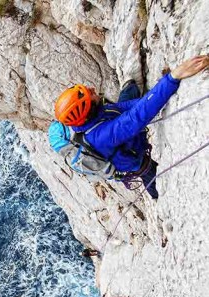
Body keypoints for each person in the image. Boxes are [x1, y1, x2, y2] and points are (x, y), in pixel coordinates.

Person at [51, 55, 209, 199]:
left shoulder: (93, 116)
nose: (92, 89)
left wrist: (153, 95)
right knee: (155, 183)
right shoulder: (102, 136)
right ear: (88, 109)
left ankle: (131, 84)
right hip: (138, 164)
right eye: (89, 94)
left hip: (115, 124)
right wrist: (173, 78)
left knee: (130, 88)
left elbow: (130, 107)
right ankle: (154, 195)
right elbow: (137, 117)